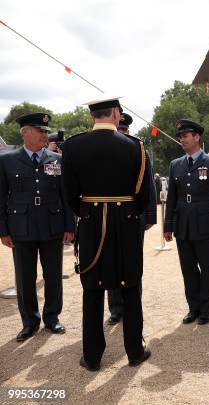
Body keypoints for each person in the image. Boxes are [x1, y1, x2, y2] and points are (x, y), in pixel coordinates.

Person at [61, 97, 154, 370]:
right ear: (115, 114)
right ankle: (135, 351)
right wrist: (126, 210)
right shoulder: (136, 146)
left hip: (90, 221)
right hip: (126, 222)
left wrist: (86, 210)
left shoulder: (73, 146)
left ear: (93, 116)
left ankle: (92, 357)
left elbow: (68, 191)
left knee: (92, 289)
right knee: (130, 286)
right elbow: (144, 194)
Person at [0, 112, 75, 341]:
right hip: (21, 227)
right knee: (25, 276)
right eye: (40, 130)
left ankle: (52, 318)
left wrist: (69, 226)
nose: (45, 134)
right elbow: (1, 197)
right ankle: (30, 322)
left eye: (45, 131)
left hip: (52, 224)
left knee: (52, 274)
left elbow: (66, 196)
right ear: (25, 132)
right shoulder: (7, 160)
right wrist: (3, 230)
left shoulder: (57, 159)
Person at [163, 119, 209, 325]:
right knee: (188, 268)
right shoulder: (176, 165)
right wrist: (168, 226)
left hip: (206, 225)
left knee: (207, 268)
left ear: (197, 137)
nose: (181, 139)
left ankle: (206, 310)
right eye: (180, 136)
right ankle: (193, 307)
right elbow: (172, 198)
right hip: (183, 224)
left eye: (185, 135)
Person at [106, 112, 157, 325]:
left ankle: (132, 305)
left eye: (125, 130)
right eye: (119, 130)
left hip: (134, 217)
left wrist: (150, 216)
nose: (122, 133)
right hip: (108, 217)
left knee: (133, 263)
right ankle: (116, 309)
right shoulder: (104, 152)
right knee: (110, 262)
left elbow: (149, 187)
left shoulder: (139, 151)